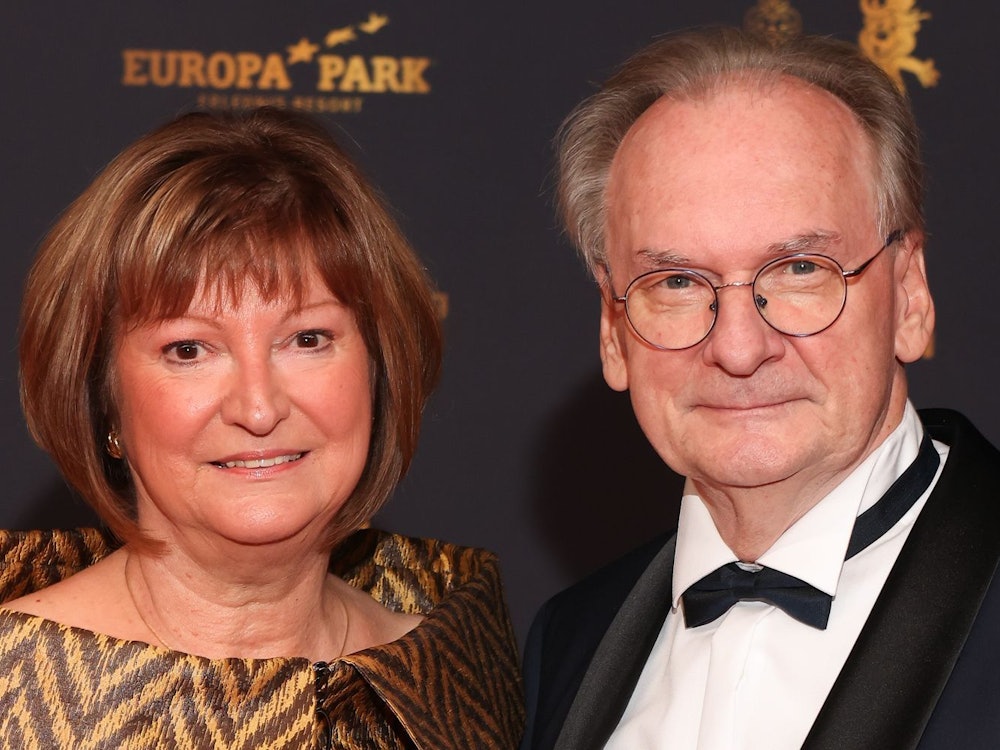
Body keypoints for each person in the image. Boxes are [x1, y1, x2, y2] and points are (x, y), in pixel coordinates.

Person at [521, 26, 1000, 750]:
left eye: (803, 269)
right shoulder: (569, 639)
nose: (739, 348)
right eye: (676, 282)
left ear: (909, 294)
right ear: (612, 331)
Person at [1, 107, 524, 748]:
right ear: (103, 398)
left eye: (307, 339)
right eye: (189, 350)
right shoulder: (14, 682)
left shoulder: (457, 675)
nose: (257, 408)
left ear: (379, 370)